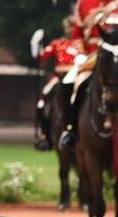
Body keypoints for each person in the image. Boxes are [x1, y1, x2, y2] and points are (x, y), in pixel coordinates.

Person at [59, 0, 118, 151]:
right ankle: (70, 130)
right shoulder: (84, 3)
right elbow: (78, 34)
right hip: (93, 54)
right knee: (70, 83)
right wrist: (82, 51)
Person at [34, 17, 85, 151]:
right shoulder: (58, 43)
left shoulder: (82, 44)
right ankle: (45, 136)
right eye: (67, 27)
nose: (70, 30)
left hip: (77, 76)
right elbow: (41, 56)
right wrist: (36, 45)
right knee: (42, 101)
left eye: (72, 27)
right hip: (59, 77)